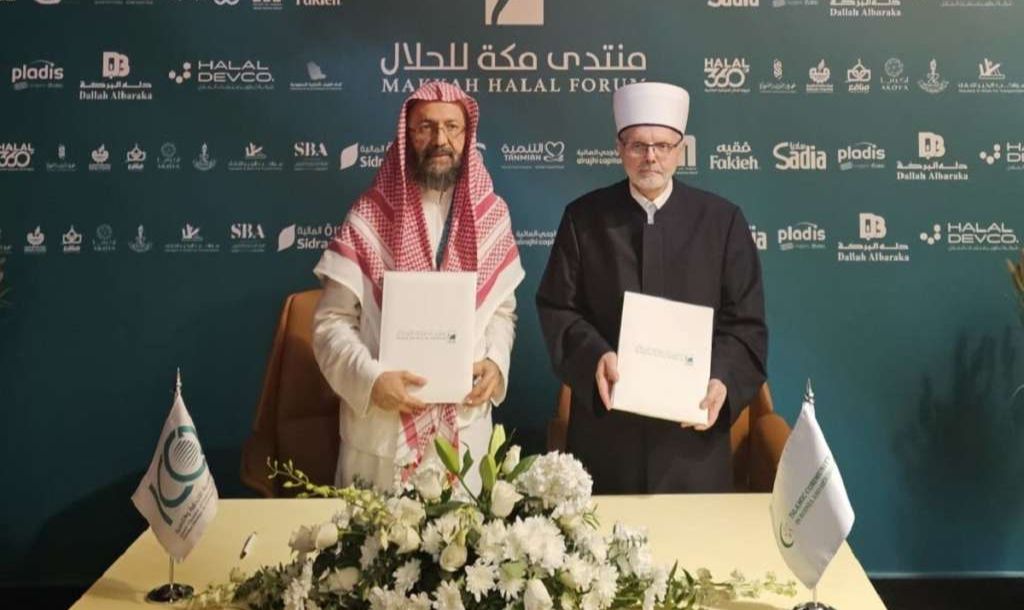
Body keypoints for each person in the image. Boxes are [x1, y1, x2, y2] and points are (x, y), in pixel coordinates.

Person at [536, 82, 767, 493]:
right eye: (638, 145)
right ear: (619, 148)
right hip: (608, 439)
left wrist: (721, 378)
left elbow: (746, 324)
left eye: (662, 145)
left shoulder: (722, 221)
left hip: (693, 442)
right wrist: (596, 355)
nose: (651, 156)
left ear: (680, 149)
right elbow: (559, 308)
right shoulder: (583, 219)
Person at [312, 82, 524, 491]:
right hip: (381, 434)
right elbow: (330, 325)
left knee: (465, 535)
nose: (440, 139)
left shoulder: (491, 215)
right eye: (426, 127)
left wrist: (496, 362)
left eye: (452, 127)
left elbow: (502, 312)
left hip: (465, 433)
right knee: (373, 534)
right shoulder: (369, 218)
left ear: (467, 135)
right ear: (407, 135)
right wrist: (371, 379)